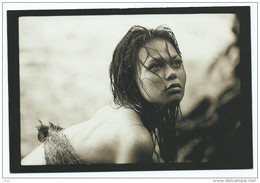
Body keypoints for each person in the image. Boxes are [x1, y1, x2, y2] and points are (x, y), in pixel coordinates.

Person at [21, 25, 186, 165]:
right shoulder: (136, 137)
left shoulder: (113, 110)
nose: (172, 73)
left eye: (176, 63)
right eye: (155, 66)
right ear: (132, 78)